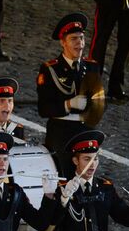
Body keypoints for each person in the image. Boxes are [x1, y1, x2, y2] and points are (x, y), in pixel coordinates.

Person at [35, 13, 95, 177]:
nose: (80, 44)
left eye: (82, 38)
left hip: (85, 130)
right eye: (74, 39)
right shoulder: (50, 69)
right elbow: (43, 109)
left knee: (84, 179)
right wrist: (68, 105)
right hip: (61, 132)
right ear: (63, 42)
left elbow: (100, 103)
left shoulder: (91, 67)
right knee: (62, 176)